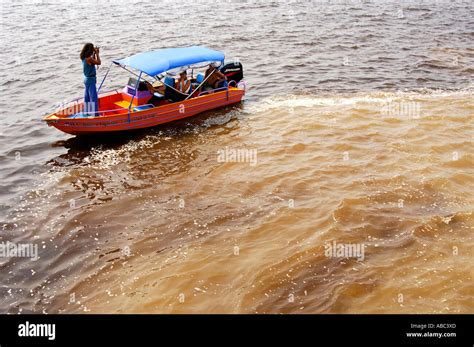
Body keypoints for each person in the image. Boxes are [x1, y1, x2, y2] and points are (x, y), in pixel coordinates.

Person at [80, 43, 101, 116]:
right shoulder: (89, 58)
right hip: (91, 80)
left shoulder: (84, 57)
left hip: (86, 79)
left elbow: (92, 62)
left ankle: (86, 112)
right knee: (93, 97)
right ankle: (95, 115)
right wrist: (97, 54)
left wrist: (94, 54)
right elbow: (98, 62)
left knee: (87, 97)